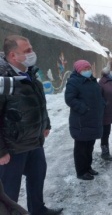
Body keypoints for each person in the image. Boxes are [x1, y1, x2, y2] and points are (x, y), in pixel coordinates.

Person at [0, 35, 63, 215]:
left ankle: (38, 210)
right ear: (13, 55)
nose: (32, 53)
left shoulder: (31, 72)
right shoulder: (3, 79)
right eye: (27, 51)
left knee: (37, 176)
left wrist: (46, 123)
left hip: (34, 141)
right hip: (12, 147)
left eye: (31, 48)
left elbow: (39, 102)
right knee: (9, 191)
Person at [65, 59, 104, 180]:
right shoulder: (73, 82)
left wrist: (103, 104)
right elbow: (69, 99)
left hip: (93, 119)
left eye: (88, 68)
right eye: (84, 69)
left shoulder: (92, 81)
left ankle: (88, 167)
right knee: (81, 148)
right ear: (78, 70)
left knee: (89, 146)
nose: (87, 71)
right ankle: (81, 172)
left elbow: (99, 96)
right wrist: (84, 108)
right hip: (81, 120)